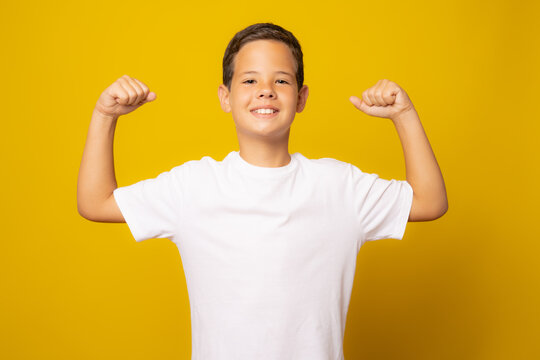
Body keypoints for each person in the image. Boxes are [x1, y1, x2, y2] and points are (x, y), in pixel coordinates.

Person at [77, 22, 447, 360]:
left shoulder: (340, 187)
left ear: (301, 98)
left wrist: (404, 115)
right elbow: (96, 203)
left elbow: (430, 202)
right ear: (225, 97)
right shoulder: (193, 187)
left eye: (281, 81)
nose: (266, 92)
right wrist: (104, 116)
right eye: (250, 81)